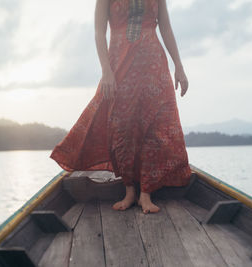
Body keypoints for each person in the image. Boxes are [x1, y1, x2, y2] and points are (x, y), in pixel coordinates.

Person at [50, 0, 192, 214]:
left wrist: (179, 67)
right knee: (122, 124)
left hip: (153, 64)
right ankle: (129, 191)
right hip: (119, 62)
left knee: (156, 125)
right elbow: (99, 32)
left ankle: (146, 193)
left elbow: (166, 28)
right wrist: (106, 71)